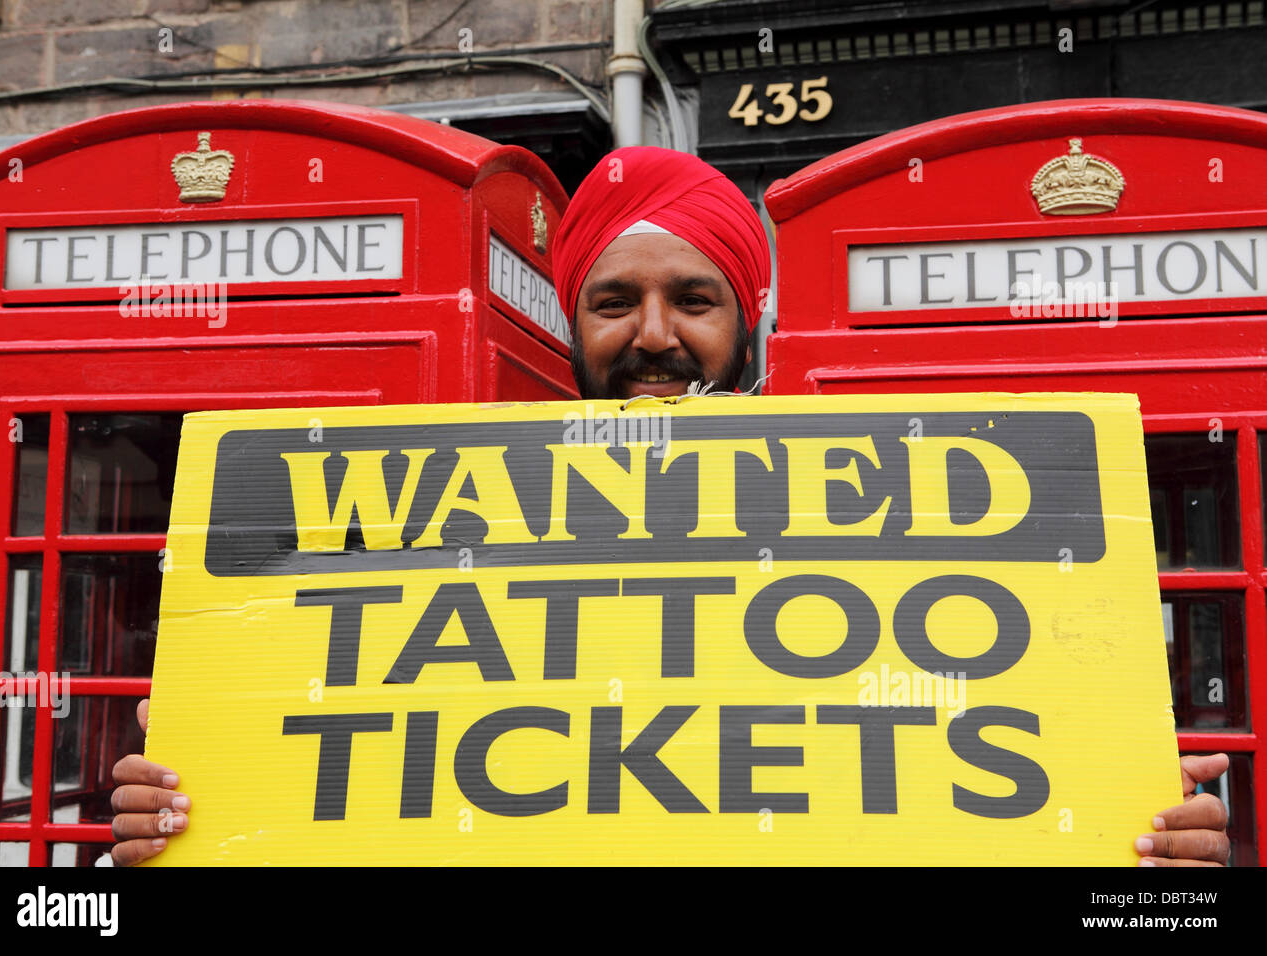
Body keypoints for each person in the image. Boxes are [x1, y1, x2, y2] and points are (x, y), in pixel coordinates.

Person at [111, 146, 1231, 866]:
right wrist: (178, 840)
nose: (653, 335)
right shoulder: (424, 528)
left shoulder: (882, 524)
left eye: (693, 299)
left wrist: (1149, 871)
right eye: (615, 300)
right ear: (570, 323)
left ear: (744, 327)